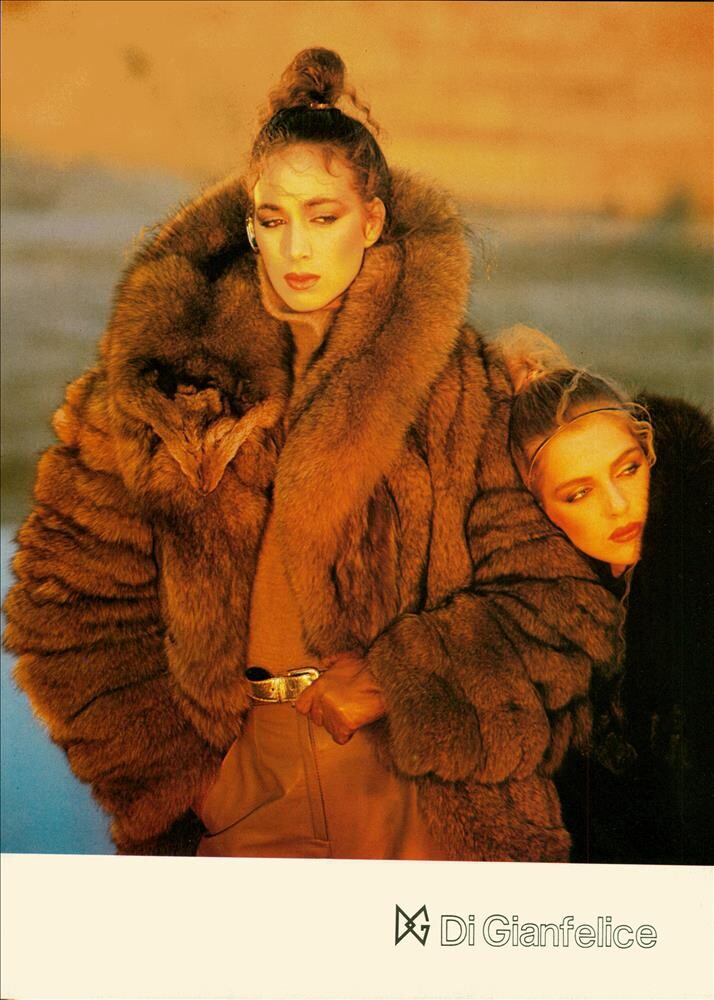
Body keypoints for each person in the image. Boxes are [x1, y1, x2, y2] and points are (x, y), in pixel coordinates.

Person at [4, 50, 619, 860]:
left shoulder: (460, 385)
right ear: (249, 224)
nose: (296, 247)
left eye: (323, 217)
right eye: (273, 218)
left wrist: (401, 677)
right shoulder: (158, 385)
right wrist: (186, 784)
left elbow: (554, 597)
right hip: (240, 800)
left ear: (372, 220)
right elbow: (65, 603)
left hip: (428, 803)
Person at [500, 325, 714, 864]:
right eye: (579, 493)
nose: (618, 504)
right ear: (538, 511)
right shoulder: (539, 626)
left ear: (650, 450)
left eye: (628, 469)